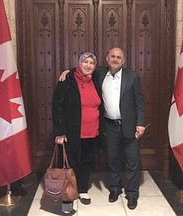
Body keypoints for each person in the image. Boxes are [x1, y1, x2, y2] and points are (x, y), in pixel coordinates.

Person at [60, 47, 146, 210]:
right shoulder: (99, 74)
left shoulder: (132, 76)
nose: (115, 59)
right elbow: (83, 69)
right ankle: (115, 189)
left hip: (130, 126)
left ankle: (132, 194)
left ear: (123, 60)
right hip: (109, 126)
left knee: (132, 161)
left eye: (118, 57)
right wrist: (68, 71)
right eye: (112, 56)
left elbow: (139, 101)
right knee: (112, 159)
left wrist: (140, 123)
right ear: (107, 58)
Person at [52, 52, 103, 213]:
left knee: (86, 162)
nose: (88, 65)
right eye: (85, 62)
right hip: (72, 132)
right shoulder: (67, 80)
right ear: (79, 63)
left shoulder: (96, 80)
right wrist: (60, 132)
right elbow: (57, 106)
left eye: (91, 63)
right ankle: (67, 196)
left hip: (92, 131)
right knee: (70, 164)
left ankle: (82, 190)